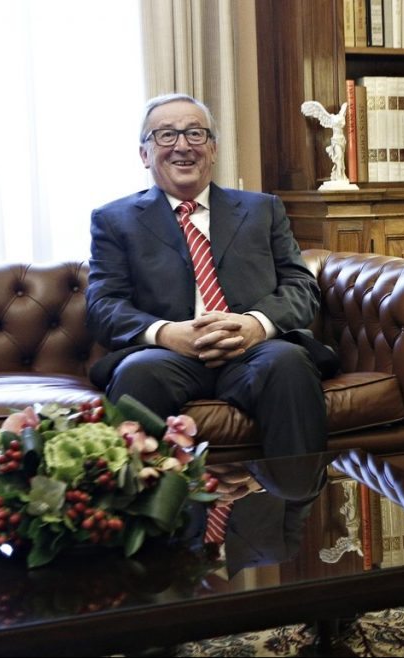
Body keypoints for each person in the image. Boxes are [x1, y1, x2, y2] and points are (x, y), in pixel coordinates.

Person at [86, 93, 332, 459]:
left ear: (213, 149)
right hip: (166, 356)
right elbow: (104, 305)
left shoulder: (262, 209)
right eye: (166, 135)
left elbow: (301, 287)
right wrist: (167, 333)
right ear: (144, 154)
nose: (182, 145)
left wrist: (255, 325)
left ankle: (298, 504)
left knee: (289, 364)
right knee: (138, 374)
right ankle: (137, 512)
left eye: (195, 134)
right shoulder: (114, 220)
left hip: (256, 350)